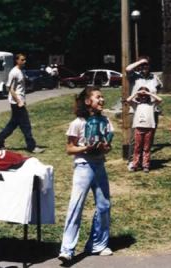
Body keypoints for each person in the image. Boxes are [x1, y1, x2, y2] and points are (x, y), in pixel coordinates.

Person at [58, 86, 114, 263]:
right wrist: (85, 148)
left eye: (102, 97)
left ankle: (97, 245)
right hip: (83, 166)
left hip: (99, 165)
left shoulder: (105, 121)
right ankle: (67, 250)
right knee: (76, 206)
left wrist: (105, 147)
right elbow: (69, 148)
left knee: (104, 206)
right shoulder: (78, 123)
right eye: (98, 97)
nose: (102, 100)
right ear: (88, 101)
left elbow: (108, 145)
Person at [0, 53, 45, 153]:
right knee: (26, 125)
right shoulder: (14, 72)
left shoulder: (20, 71)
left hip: (20, 101)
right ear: (17, 61)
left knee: (12, 124)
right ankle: (32, 147)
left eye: (25, 59)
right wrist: (19, 101)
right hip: (16, 103)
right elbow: (10, 88)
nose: (24, 61)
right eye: (22, 60)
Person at [125, 56, 163, 171]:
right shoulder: (134, 76)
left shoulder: (154, 78)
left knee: (149, 138)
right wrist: (140, 61)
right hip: (136, 111)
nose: (144, 67)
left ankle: (145, 161)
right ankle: (132, 161)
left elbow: (159, 90)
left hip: (151, 111)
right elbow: (127, 69)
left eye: (146, 65)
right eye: (142, 65)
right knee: (134, 139)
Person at [127, 87, 162, 172]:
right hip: (138, 128)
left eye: (145, 95)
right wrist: (137, 92)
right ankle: (135, 164)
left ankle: (145, 165)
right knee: (137, 147)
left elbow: (160, 99)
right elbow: (128, 100)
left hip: (149, 128)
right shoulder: (136, 104)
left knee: (146, 148)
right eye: (141, 95)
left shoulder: (151, 104)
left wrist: (149, 93)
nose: (143, 97)